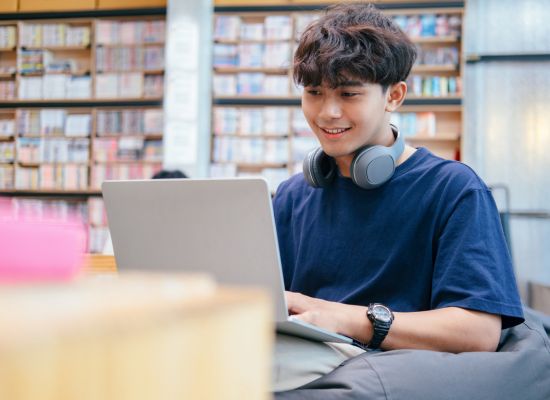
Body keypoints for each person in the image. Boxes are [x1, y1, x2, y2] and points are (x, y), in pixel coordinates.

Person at [271, 2, 524, 392]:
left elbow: (479, 331)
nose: (327, 112)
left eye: (349, 93)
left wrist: (341, 318)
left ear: (395, 95)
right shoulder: (291, 196)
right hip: (301, 361)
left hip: (388, 378)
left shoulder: (453, 190)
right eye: (314, 92)